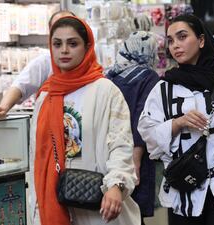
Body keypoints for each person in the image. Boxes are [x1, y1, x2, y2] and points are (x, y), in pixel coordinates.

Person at [138, 14, 214, 225]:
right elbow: (147, 133)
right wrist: (178, 123)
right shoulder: (164, 88)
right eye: (171, 40)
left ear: (201, 40)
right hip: (182, 190)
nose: (176, 45)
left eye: (182, 37)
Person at [28, 16, 140, 225]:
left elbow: (120, 144)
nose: (64, 50)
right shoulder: (45, 96)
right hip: (54, 204)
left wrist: (116, 185)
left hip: (98, 204)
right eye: (57, 44)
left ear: (87, 46)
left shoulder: (106, 91)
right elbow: (38, 154)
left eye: (73, 43)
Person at [105, 31, 160, 225]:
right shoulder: (148, 77)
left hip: (111, 153)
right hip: (134, 154)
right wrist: (135, 161)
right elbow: (141, 118)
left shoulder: (111, 74)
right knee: (134, 212)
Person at [0, 10, 75, 118]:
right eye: (58, 26)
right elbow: (20, 86)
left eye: (68, 24)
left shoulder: (91, 63)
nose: (64, 50)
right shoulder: (45, 61)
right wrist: (3, 107)